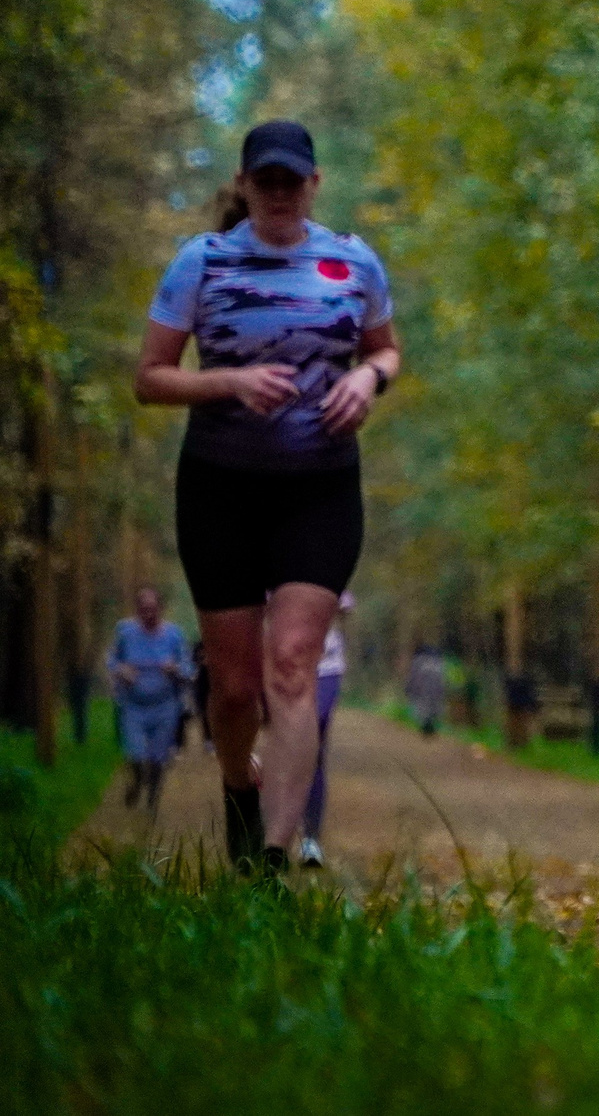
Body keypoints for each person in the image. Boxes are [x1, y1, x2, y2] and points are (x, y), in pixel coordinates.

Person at [134, 119, 401, 876]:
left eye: (293, 181)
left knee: (291, 666)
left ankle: (273, 863)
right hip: (220, 489)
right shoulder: (202, 261)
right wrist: (230, 381)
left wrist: (368, 378)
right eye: (266, 180)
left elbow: (386, 348)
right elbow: (149, 378)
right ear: (244, 184)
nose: (280, 193)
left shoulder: (353, 262)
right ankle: (237, 791)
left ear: (314, 184)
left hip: (320, 489)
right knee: (234, 690)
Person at [105, 585, 192, 813]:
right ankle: (136, 781)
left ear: (160, 609)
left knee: (158, 759)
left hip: (165, 706)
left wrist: (175, 669)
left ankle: (152, 800)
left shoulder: (174, 635)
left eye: (153, 609)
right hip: (133, 706)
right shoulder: (125, 632)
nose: (149, 614)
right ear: (137, 610)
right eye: (144, 609)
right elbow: (112, 660)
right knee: (136, 755)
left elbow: (188, 668)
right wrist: (122, 670)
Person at [297, 589, 354, 867]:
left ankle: (311, 838)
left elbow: (346, 604)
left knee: (314, 739)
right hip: (287, 663)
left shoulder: (327, 566)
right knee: (290, 748)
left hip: (326, 666)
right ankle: (274, 833)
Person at [405, 642, 447, 737]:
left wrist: (409, 689)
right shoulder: (439, 664)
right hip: (435, 693)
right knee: (432, 711)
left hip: (421, 692)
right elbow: (442, 681)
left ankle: (426, 727)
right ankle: (430, 727)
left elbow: (413, 678)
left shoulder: (418, 662)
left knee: (422, 710)